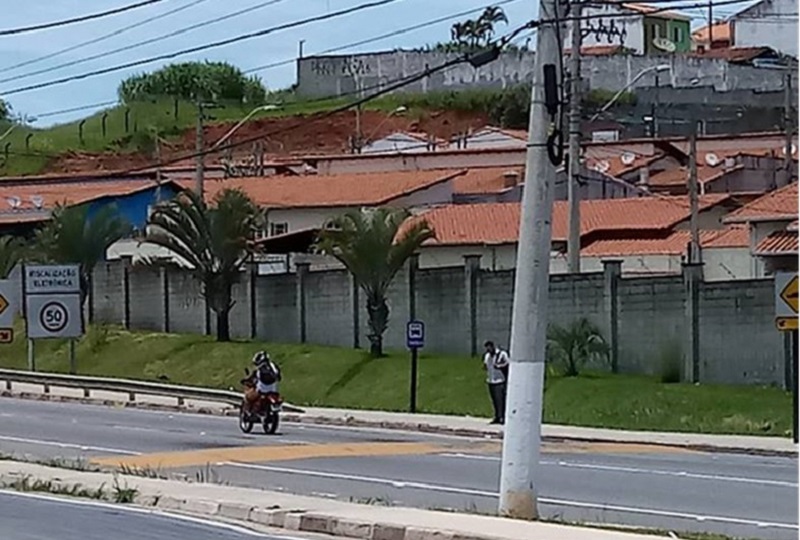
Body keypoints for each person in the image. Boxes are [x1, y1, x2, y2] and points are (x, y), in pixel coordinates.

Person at [482, 340, 509, 425]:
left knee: (501, 400)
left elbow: (508, 363)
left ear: (493, 346)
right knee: (494, 400)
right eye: (487, 348)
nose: (488, 349)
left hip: (500, 380)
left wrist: (499, 366)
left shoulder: (502, 354)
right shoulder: (487, 356)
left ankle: (503, 417)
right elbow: (486, 365)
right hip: (491, 380)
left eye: (489, 347)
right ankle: (497, 416)